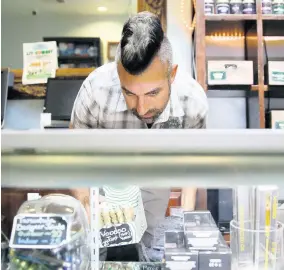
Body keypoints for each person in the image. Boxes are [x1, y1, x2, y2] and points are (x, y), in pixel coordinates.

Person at [70, 12, 208, 261]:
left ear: (172, 75)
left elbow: (194, 165)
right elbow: (73, 154)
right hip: (104, 185)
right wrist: (86, 202)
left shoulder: (191, 100)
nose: (142, 108)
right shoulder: (95, 90)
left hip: (156, 180)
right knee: (100, 257)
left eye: (153, 93)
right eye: (129, 93)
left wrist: (184, 221)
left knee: (151, 252)